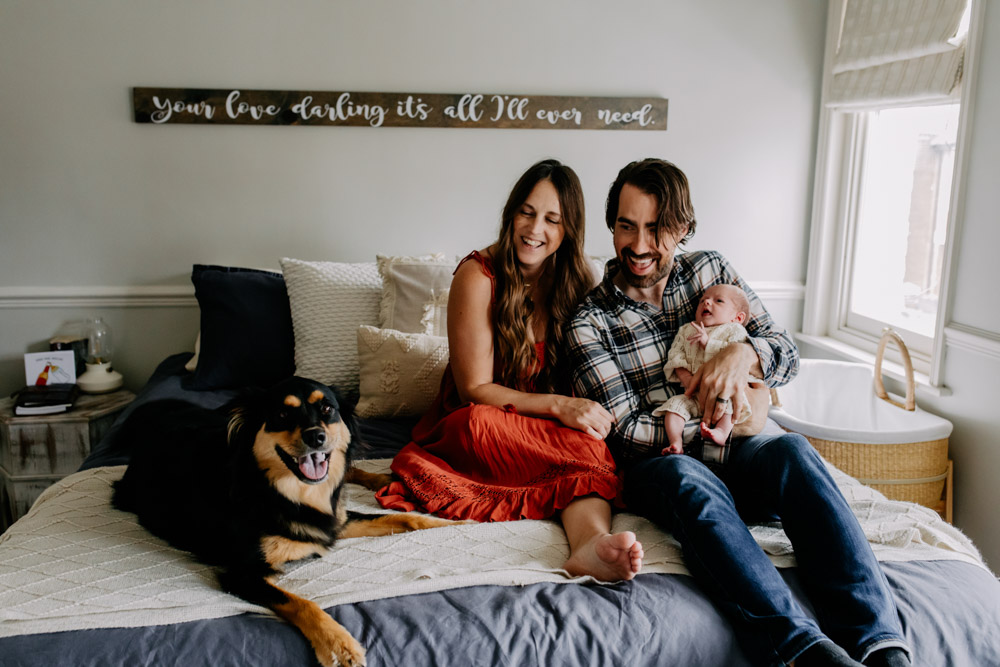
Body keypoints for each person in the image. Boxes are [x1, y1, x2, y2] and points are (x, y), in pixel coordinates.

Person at [565, 158, 911, 667]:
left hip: (744, 453)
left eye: (656, 228)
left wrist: (743, 354)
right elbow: (624, 430)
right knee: (688, 475)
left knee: (792, 448)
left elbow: (784, 353)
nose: (638, 245)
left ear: (683, 228)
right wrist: (715, 431)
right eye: (626, 225)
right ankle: (806, 653)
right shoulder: (588, 321)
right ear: (611, 223)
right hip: (664, 466)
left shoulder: (711, 272)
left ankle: (881, 647)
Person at [376, 159, 643, 582]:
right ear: (510, 214)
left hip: (543, 424)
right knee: (484, 423)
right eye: (527, 212)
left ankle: (590, 545)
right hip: (478, 419)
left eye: (552, 219)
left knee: (590, 445)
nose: (535, 229)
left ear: (568, 229)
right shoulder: (477, 275)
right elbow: (474, 390)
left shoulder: (575, 278)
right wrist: (559, 407)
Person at [652, 283, 760, 459]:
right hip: (693, 393)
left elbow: (733, 354)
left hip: (724, 393)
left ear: (737, 317)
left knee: (731, 408)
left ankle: (721, 432)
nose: (707, 302)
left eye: (718, 300)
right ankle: (676, 442)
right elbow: (676, 357)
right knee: (673, 408)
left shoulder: (734, 330)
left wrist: (708, 343)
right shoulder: (687, 329)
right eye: (703, 300)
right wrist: (687, 380)